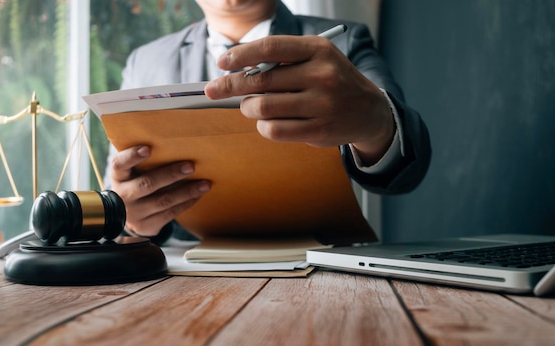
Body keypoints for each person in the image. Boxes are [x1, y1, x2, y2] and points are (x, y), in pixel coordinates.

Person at [105, 0, 431, 243]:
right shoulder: (144, 62)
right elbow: (121, 183)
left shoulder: (343, 44)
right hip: (183, 269)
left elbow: (409, 159)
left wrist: (375, 121)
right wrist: (128, 219)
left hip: (322, 263)